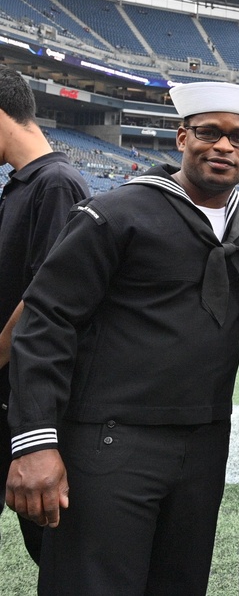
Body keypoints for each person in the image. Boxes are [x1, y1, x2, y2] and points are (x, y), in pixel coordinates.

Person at [5, 81, 239, 595]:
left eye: (238, 138)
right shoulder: (116, 214)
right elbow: (46, 320)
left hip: (202, 445)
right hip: (110, 440)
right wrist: (35, 440)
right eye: (208, 133)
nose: (223, 146)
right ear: (180, 138)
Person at [0, 67, 90, 567]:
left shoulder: (56, 182)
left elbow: (44, 300)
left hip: (26, 400)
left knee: (54, 552)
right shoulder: (23, 183)